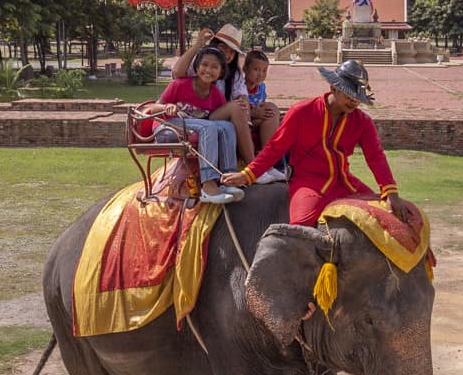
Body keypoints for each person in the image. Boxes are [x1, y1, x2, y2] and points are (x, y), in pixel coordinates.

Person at [221, 59, 409, 225]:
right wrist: (247, 175)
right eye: (349, 97)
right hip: (308, 183)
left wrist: (390, 192)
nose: (353, 103)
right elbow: (275, 148)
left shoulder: (362, 122)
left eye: (357, 99)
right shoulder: (301, 112)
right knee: (300, 227)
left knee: (386, 218)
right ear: (333, 87)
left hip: (345, 183)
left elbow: (375, 157)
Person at [144, 46, 244, 204]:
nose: (208, 70)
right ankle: (208, 184)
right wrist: (166, 107)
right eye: (204, 65)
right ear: (196, 67)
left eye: (214, 67)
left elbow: (219, 122)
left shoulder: (216, 96)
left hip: (192, 129)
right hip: (167, 128)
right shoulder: (179, 85)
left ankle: (228, 178)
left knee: (226, 127)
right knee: (208, 127)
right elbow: (150, 108)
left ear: (220, 73)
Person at [172, 25, 256, 166]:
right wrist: (198, 44)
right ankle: (253, 165)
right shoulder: (201, 64)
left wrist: (246, 113)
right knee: (236, 108)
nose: (228, 55)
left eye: (232, 52)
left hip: (218, 113)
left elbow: (242, 98)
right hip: (196, 114)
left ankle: (273, 163)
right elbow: (177, 73)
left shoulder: (233, 73)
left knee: (269, 110)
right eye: (224, 49)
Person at [242, 49, 286, 184]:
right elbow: (240, 111)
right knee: (271, 111)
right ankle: (264, 164)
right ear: (245, 69)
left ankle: (269, 164)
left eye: (264, 71)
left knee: (272, 110)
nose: (260, 74)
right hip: (244, 122)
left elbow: (262, 107)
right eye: (256, 69)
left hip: (257, 121)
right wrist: (254, 113)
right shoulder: (240, 86)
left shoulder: (261, 88)